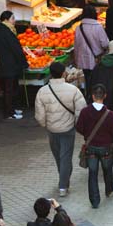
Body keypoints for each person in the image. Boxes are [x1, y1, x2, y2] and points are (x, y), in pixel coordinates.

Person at [34, 60, 86, 198]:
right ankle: (63, 185)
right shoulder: (73, 90)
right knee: (65, 157)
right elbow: (81, 110)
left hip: (52, 130)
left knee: (58, 156)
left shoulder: (42, 92)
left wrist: (46, 124)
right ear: (63, 73)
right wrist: (75, 122)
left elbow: (39, 115)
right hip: (68, 129)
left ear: (50, 74)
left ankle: (63, 180)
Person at [76, 83, 113, 209]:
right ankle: (109, 189)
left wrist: (87, 135)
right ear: (105, 96)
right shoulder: (109, 114)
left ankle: (95, 201)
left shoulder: (85, 112)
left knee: (92, 173)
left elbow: (79, 128)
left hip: (91, 148)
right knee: (107, 170)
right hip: (106, 148)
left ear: (92, 96)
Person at [90, 39, 113, 163]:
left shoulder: (99, 66)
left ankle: (104, 152)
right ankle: (112, 154)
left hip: (99, 103)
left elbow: (91, 83)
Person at [0, 10, 29, 119]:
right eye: (13, 18)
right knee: (9, 90)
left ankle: (12, 109)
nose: (14, 21)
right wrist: (24, 62)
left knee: (11, 88)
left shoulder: (1, 30)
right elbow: (16, 49)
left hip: (6, 64)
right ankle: (9, 113)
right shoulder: (6, 32)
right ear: (6, 20)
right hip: (9, 65)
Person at [73, 5, 109, 100]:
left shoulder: (79, 28)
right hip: (96, 59)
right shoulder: (98, 27)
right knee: (97, 80)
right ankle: (97, 98)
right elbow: (105, 44)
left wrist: (76, 60)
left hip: (83, 60)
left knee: (88, 79)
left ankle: (88, 97)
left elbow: (76, 46)